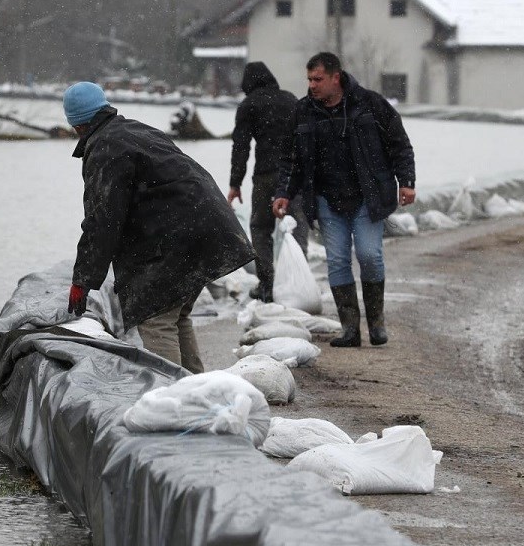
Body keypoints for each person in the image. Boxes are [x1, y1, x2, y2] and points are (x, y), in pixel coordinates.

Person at [63, 81, 255, 373]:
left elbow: (103, 221)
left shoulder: (105, 147)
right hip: (209, 227)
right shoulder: (134, 130)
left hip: (180, 238)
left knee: (156, 320)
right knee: (176, 317)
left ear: (76, 124)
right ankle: (198, 392)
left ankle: (175, 404)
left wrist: (82, 280)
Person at [272, 52, 416, 347]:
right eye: (309, 79)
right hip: (326, 198)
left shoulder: (370, 105)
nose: (312, 85)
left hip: (367, 195)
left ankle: (376, 322)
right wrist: (283, 192)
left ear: (336, 77)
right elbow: (290, 159)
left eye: (318, 79)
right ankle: (350, 329)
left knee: (368, 254)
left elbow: (400, 145)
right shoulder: (303, 112)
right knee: (337, 260)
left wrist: (407, 182)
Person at [227, 61, 309, 303]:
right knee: (297, 226)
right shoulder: (290, 99)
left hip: (265, 175)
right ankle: (297, 282)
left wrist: (235, 183)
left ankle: (267, 284)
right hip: (294, 175)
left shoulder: (248, 105)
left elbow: (240, 147)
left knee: (261, 229)